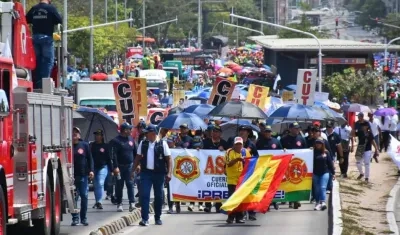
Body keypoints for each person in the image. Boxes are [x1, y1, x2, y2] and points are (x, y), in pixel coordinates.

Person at [133, 125, 172, 226]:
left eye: (148, 133)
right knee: (144, 195)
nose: (146, 135)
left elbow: (169, 159)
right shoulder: (143, 143)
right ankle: (144, 219)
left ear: (153, 134)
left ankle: (157, 217)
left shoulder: (162, 144)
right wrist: (132, 171)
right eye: (145, 133)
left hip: (159, 174)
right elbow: (137, 157)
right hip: (146, 173)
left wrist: (169, 173)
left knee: (158, 196)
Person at [26, 0, 62, 89]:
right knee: (48, 61)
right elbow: (59, 20)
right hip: (46, 38)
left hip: (35, 38)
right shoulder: (51, 8)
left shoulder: (34, 9)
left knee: (37, 61)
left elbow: (26, 19)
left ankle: (36, 83)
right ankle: (44, 84)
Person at [110, 123, 137, 212]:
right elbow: (113, 155)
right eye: (130, 129)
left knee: (130, 184)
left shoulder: (131, 139)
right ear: (125, 130)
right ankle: (119, 203)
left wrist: (137, 165)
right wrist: (115, 167)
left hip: (130, 166)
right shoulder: (116, 141)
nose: (131, 130)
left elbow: (135, 153)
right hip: (120, 167)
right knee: (119, 185)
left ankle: (131, 203)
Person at [280, 122, 307, 209]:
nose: (297, 130)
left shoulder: (301, 139)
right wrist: (283, 150)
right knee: (289, 182)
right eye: (295, 128)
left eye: (298, 128)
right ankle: (291, 200)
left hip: (298, 164)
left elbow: (305, 150)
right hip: (287, 164)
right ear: (290, 129)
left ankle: (296, 200)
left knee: (297, 182)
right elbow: (279, 150)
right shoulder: (284, 139)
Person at [202, 125, 228, 213]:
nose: (214, 133)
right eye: (213, 131)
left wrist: (224, 149)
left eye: (217, 132)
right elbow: (200, 152)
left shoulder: (224, 143)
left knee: (218, 187)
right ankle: (208, 206)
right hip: (208, 170)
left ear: (220, 133)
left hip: (219, 171)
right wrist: (198, 149)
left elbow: (229, 152)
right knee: (208, 186)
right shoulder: (206, 142)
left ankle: (218, 206)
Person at [71, 127, 94, 226]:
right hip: (71, 176)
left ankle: (83, 218)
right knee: (73, 198)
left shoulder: (84, 145)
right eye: (73, 132)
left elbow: (90, 159)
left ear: (79, 135)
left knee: (84, 196)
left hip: (83, 175)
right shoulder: (68, 146)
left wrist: (91, 170)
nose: (74, 134)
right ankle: (75, 218)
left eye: (76, 132)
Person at [225, 137, 249, 224]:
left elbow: (250, 163)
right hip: (232, 179)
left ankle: (240, 217)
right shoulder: (229, 151)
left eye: (240, 144)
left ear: (242, 144)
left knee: (240, 199)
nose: (238, 146)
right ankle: (230, 217)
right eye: (237, 144)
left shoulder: (246, 152)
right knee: (232, 198)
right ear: (234, 144)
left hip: (242, 179)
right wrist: (237, 159)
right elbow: (229, 164)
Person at [90, 129, 112, 209]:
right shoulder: (91, 145)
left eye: (98, 135)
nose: (97, 136)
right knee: (96, 185)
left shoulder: (105, 146)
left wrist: (112, 169)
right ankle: (97, 202)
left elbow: (109, 158)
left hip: (103, 167)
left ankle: (99, 201)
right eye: (96, 135)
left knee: (100, 182)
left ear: (102, 136)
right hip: (93, 168)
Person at [313, 137, 335, 211]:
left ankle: (322, 202)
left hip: (325, 172)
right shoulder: (312, 152)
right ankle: (317, 202)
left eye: (320, 143)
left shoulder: (326, 152)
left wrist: (333, 173)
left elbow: (330, 163)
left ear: (323, 144)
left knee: (323, 187)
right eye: (317, 143)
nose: (318, 144)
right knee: (316, 188)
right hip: (315, 173)